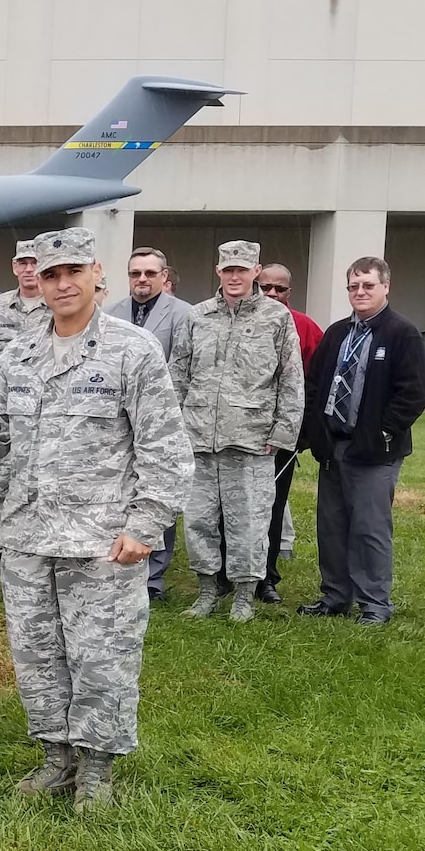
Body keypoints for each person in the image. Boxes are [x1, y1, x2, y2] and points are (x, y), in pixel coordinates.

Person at [0, 226, 192, 810]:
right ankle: (57, 757)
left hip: (103, 540)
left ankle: (98, 769)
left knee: (102, 655)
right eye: (50, 274)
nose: (61, 284)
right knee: (36, 654)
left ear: (95, 275)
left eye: (72, 272)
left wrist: (145, 525)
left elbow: (165, 450)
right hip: (28, 536)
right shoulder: (21, 352)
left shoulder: (131, 351)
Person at [168, 241, 305, 623]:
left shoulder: (276, 317)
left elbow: (291, 379)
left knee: (249, 522)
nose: (234, 276)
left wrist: (282, 435)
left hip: (251, 440)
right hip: (198, 438)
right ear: (218, 272)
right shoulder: (198, 317)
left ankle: (244, 594)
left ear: (256, 272)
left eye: (242, 270)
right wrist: (174, 429)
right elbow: (177, 374)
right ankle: (207, 590)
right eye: (228, 269)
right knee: (199, 521)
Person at [299, 256, 425, 626]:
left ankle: (375, 604)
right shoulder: (338, 333)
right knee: (332, 525)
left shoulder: (401, 333)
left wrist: (382, 431)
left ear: (385, 287)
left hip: (374, 452)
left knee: (370, 529)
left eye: (368, 285)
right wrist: (315, 431)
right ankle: (335, 596)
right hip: (334, 447)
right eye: (354, 286)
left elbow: (415, 392)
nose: (360, 292)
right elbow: (314, 384)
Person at [106, 246, 196, 599]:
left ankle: (154, 577)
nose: (141, 279)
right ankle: (117, 563)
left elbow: (186, 370)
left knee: (157, 492)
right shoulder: (110, 313)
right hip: (116, 422)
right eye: (135, 273)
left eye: (149, 273)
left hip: (160, 419)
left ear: (164, 277)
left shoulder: (184, 315)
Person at [0, 237, 50, 592]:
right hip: (7, 415)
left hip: (51, 417)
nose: (29, 269)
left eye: (35, 262)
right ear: (14, 267)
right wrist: (1, 393)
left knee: (44, 487)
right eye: (23, 263)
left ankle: (43, 562)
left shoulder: (56, 304)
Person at [256, 262, 324, 602]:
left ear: (288, 292)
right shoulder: (236, 322)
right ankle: (225, 574)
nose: (270, 294)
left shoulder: (305, 328)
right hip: (235, 436)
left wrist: (302, 435)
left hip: (282, 439)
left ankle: (265, 579)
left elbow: (317, 385)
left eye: (278, 289)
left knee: (272, 506)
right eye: (264, 287)